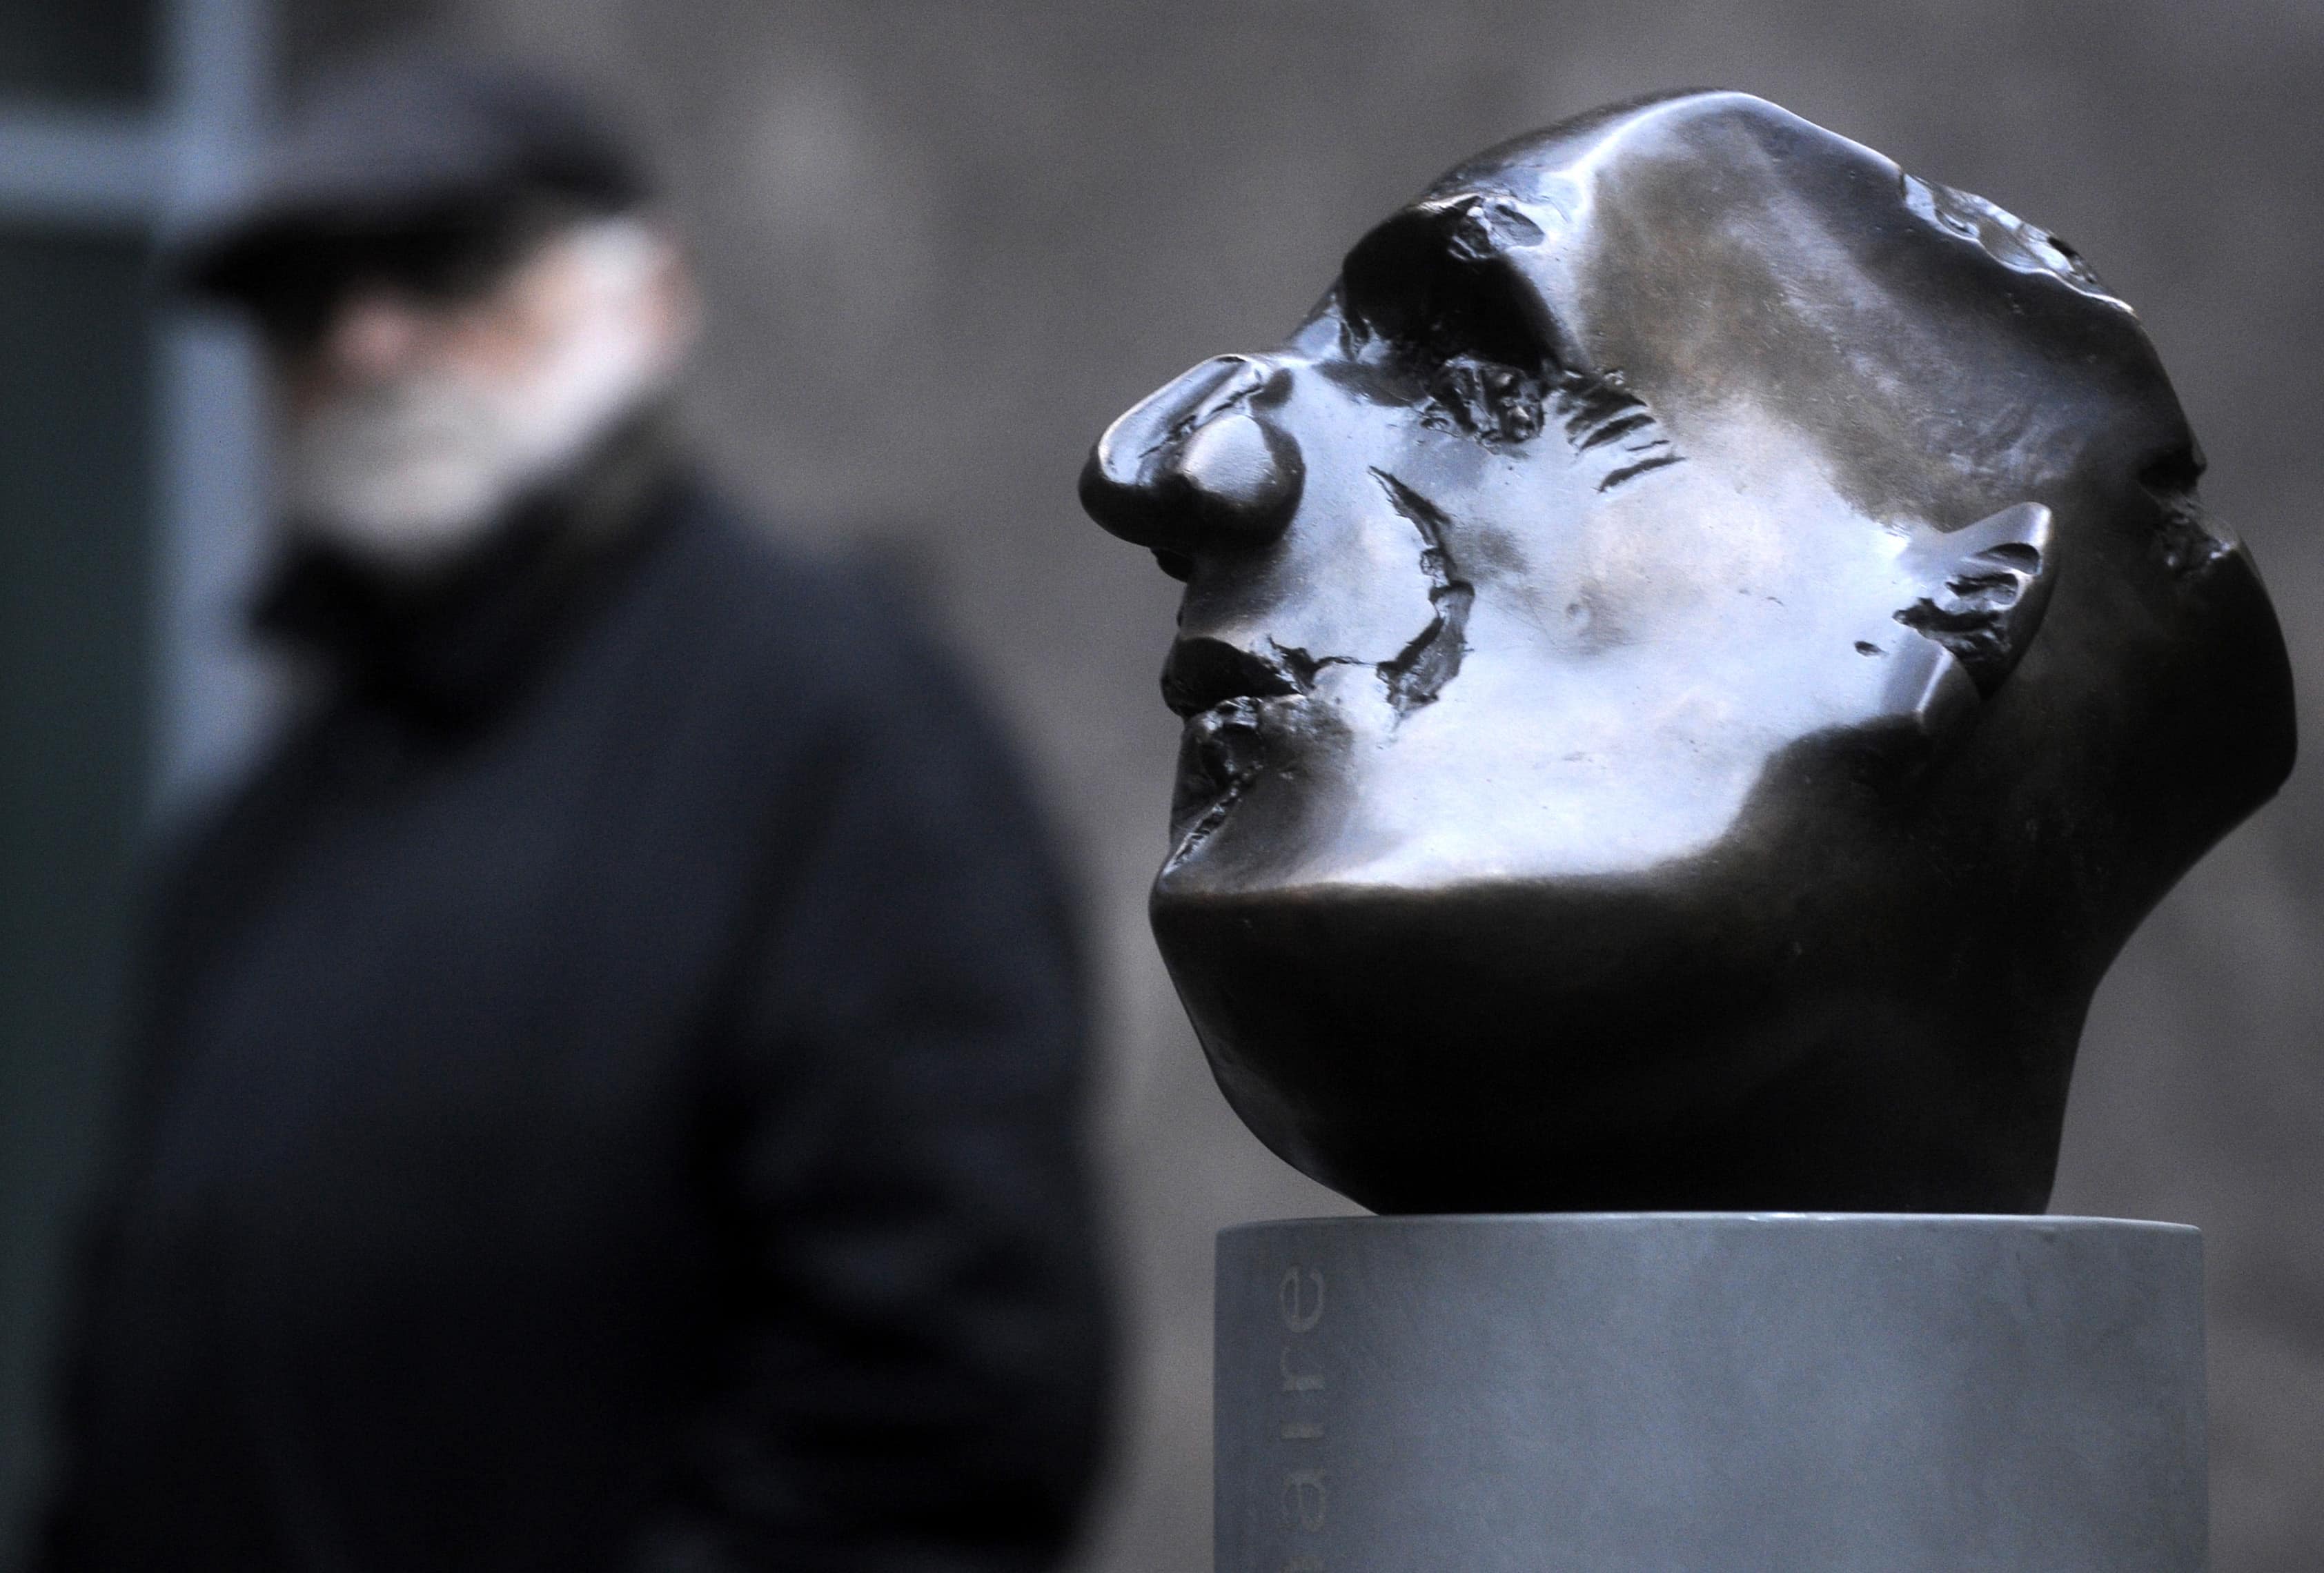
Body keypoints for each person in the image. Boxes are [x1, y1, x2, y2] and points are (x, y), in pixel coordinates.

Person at [34, 50, 1109, 1573]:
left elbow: (941, 1415)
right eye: (299, 297)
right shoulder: (245, 843)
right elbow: (120, 1401)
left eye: (449, 261)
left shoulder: (842, 730)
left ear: (647, 297)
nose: (369, 337)